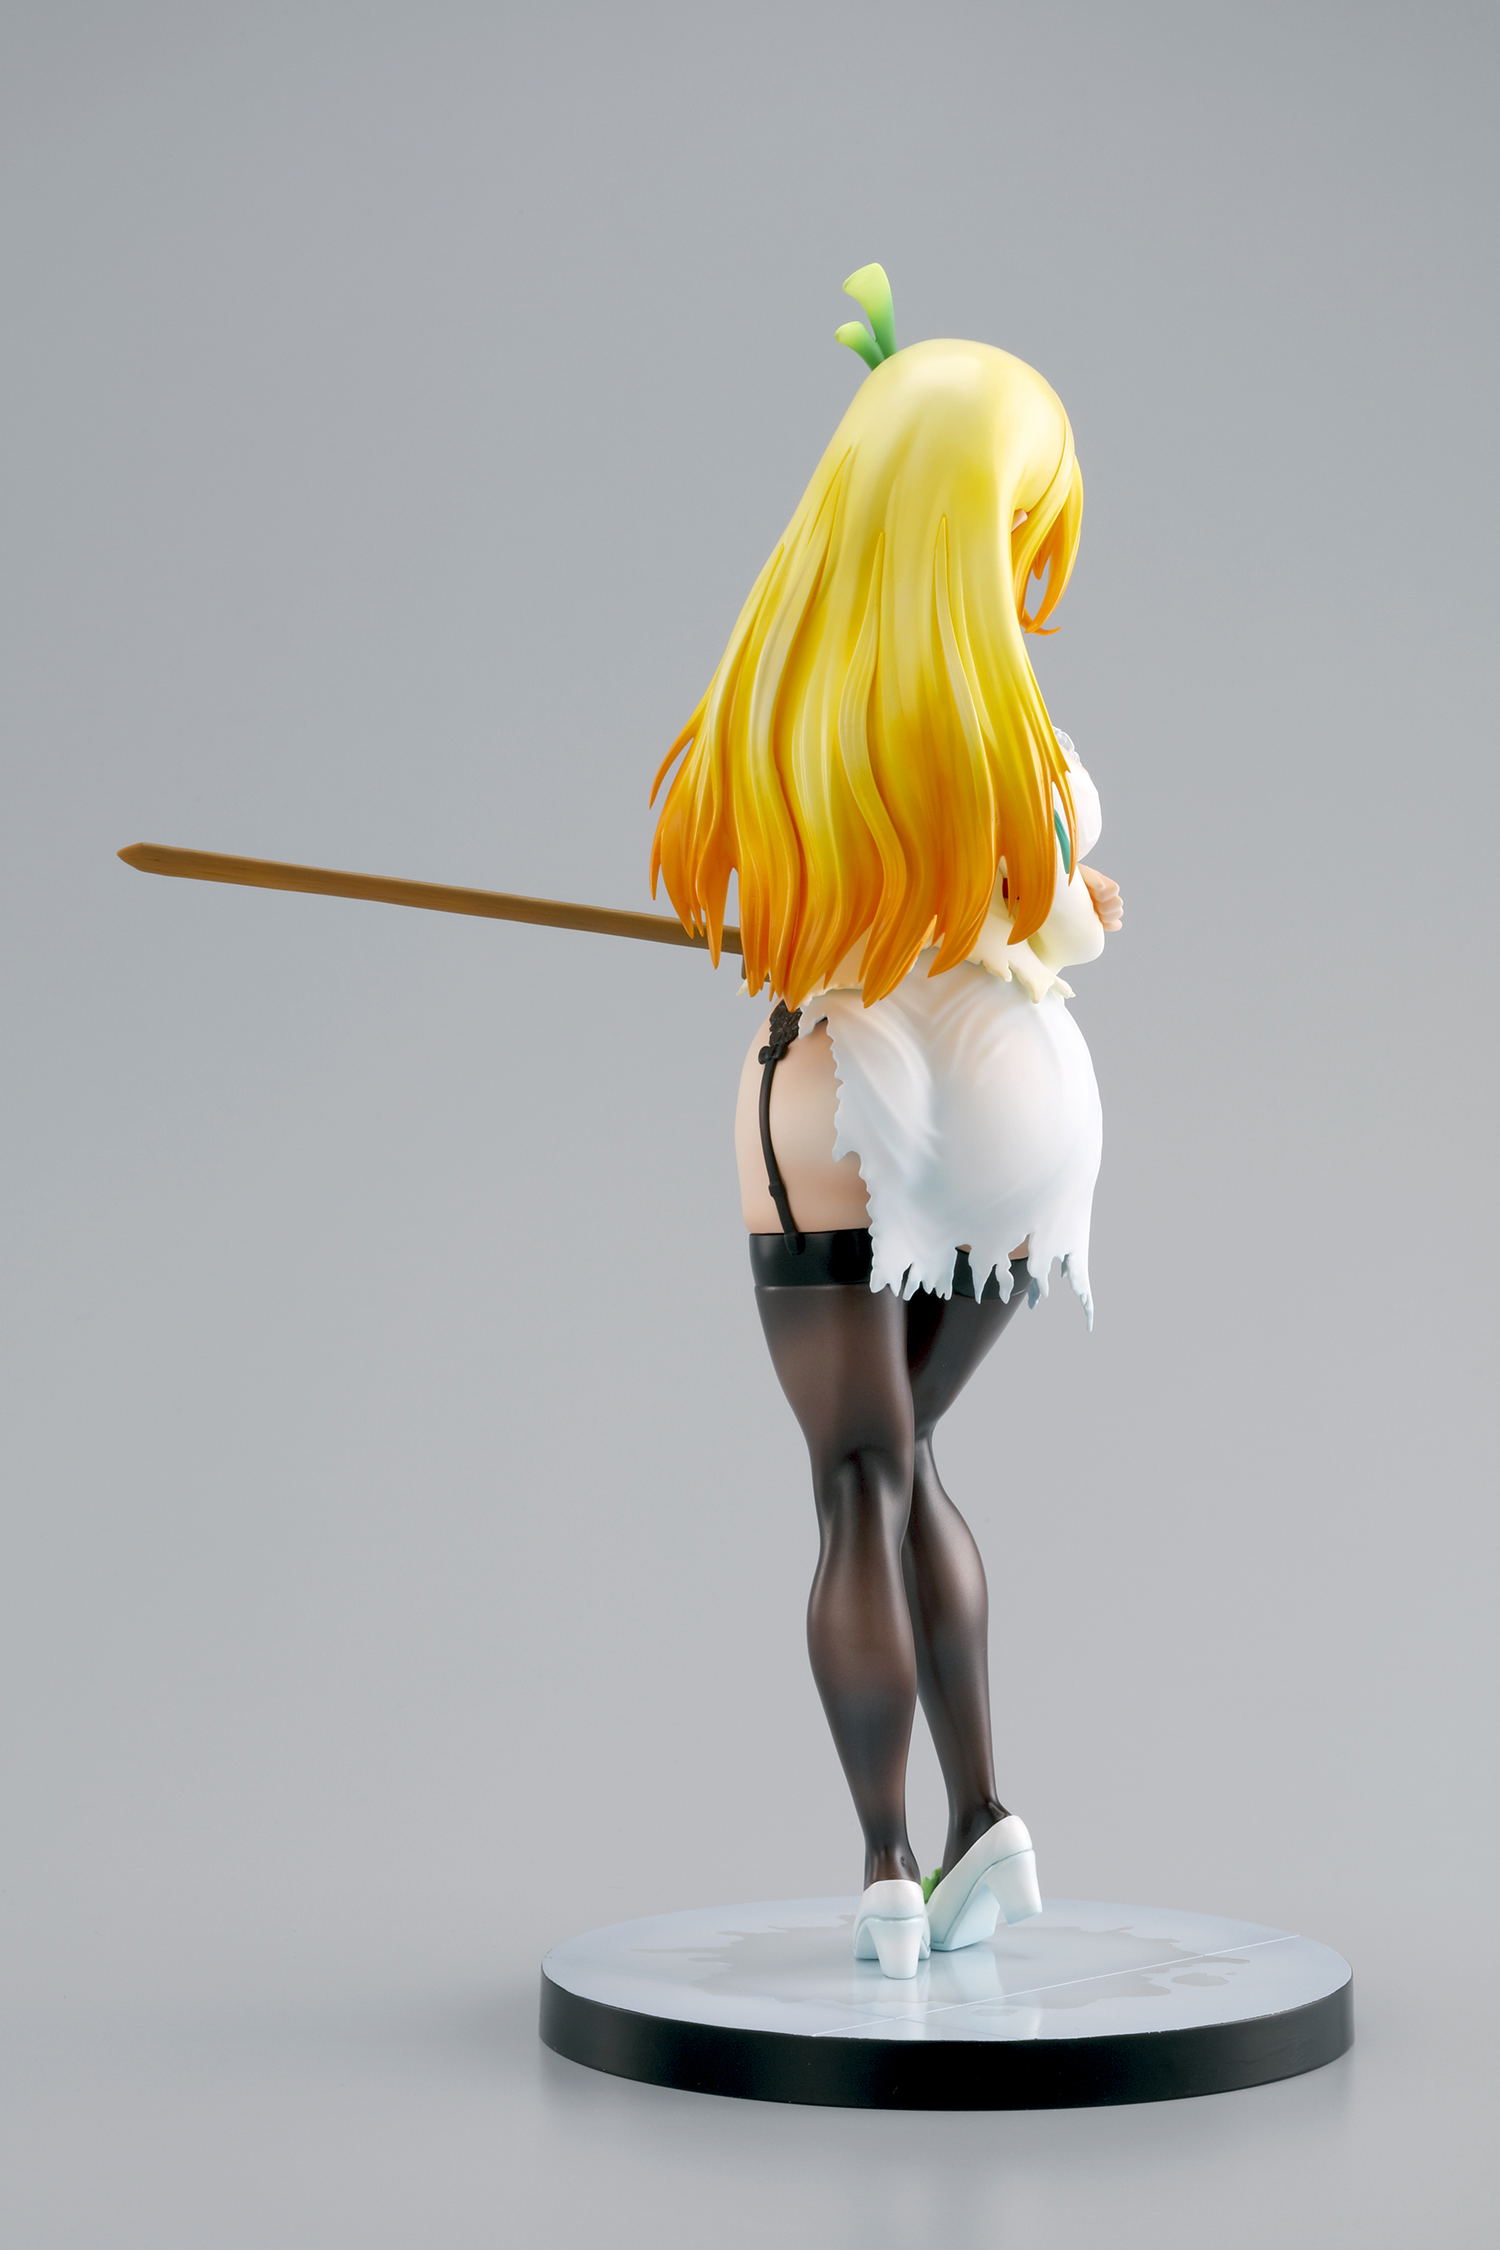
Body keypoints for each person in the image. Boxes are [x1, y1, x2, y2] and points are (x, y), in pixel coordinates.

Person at [649, 268, 1124, 1979]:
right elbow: (1053, 914)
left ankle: (885, 1864)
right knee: (913, 1458)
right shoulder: (1014, 731)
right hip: (1017, 1120)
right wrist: (1077, 908)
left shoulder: (776, 701)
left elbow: (754, 910)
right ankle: (989, 1822)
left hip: (838, 1095)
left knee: (860, 1473)